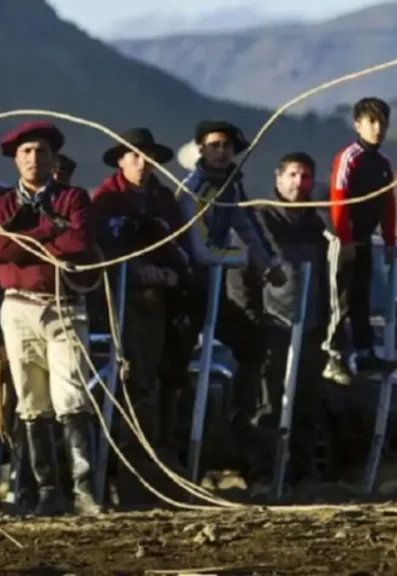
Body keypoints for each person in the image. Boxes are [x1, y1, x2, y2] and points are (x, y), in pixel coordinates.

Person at [0, 120, 101, 517]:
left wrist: (26, 238)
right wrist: (51, 231)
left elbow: (79, 241)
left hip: (64, 304)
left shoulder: (74, 197)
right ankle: (48, 491)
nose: (35, 158)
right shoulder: (0, 204)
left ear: (54, 159)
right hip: (18, 307)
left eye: (42, 151)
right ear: (16, 160)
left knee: (71, 394)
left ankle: (83, 490)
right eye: (27, 152)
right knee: (31, 399)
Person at [175, 119, 286, 487]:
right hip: (188, 291)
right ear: (200, 149)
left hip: (216, 290)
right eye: (214, 145)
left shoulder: (230, 186)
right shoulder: (191, 189)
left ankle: (240, 431)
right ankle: (177, 457)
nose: (222, 151)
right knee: (174, 370)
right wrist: (238, 258)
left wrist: (267, 263)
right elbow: (199, 247)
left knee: (253, 348)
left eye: (227, 145)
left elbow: (245, 225)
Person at [90, 128, 192, 504]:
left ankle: (152, 473)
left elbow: (179, 246)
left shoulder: (163, 200)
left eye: (147, 155)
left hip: (160, 303)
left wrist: (170, 273)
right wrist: (133, 272)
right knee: (131, 387)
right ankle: (122, 481)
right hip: (119, 305)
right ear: (121, 159)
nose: (141, 162)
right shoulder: (104, 201)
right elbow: (99, 252)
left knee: (159, 382)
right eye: (134, 154)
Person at [254, 153, 332, 486]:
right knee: (270, 399)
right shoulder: (261, 217)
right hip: (274, 322)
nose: (298, 182)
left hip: (312, 322)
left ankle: (302, 473)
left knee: (307, 399)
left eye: (305, 176)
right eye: (292, 174)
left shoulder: (316, 222)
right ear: (278, 177)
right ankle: (263, 473)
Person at [324, 97, 397, 383]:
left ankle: (365, 353)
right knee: (340, 298)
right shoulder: (349, 157)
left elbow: (388, 203)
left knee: (361, 298)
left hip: (366, 239)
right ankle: (335, 355)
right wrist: (345, 240)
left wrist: (390, 241)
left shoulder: (383, 163)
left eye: (382, 122)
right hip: (343, 240)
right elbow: (339, 199)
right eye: (371, 122)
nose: (377, 128)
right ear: (358, 124)